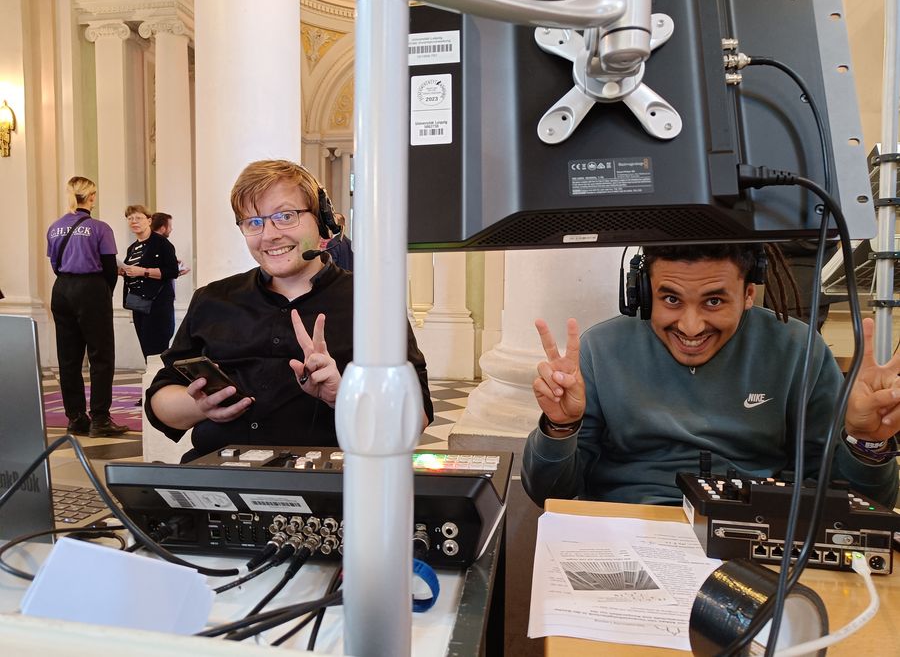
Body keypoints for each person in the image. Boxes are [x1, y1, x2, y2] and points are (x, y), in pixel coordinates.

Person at [522, 243, 900, 509]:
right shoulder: (600, 349)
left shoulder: (798, 350)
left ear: (749, 294)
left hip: (759, 529)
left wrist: (865, 443)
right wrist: (560, 429)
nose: (690, 326)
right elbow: (547, 492)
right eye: (670, 299)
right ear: (643, 293)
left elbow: (860, 505)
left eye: (714, 301)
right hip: (628, 525)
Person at [146, 159, 433, 462]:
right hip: (218, 486)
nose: (269, 235)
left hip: (334, 489)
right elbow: (160, 402)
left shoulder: (372, 301)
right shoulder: (213, 299)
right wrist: (200, 407)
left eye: (286, 216)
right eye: (254, 222)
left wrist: (343, 396)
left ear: (321, 220)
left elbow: (416, 419)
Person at [46, 176, 128, 437]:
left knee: (68, 358)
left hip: (61, 290)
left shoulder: (54, 227)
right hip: (90, 289)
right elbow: (109, 268)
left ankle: (76, 417)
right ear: (91, 197)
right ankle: (100, 419)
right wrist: (104, 294)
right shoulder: (100, 228)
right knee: (100, 356)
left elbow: (54, 265)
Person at [120, 205, 180, 359]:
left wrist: (143, 271)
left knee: (156, 351)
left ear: (149, 220)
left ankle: (160, 382)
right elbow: (134, 271)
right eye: (130, 218)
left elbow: (172, 271)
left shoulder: (162, 244)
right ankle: (154, 380)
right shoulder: (132, 248)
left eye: (138, 218)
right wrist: (124, 272)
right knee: (146, 348)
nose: (134, 221)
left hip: (157, 304)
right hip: (138, 303)